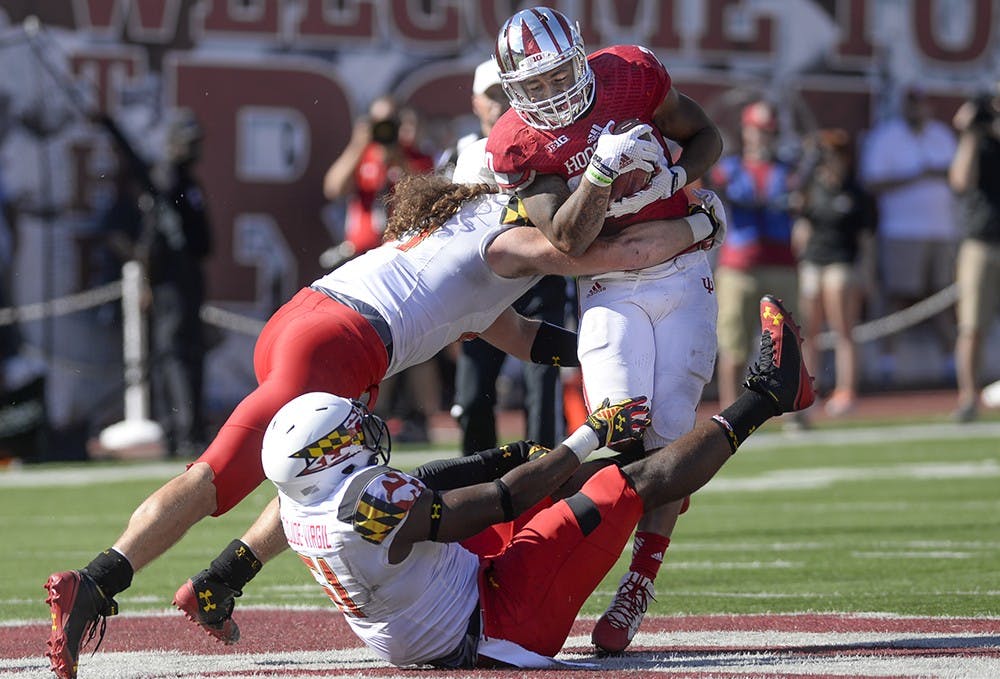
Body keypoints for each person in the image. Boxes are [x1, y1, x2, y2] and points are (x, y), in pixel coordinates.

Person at [43, 173, 723, 679]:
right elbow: (614, 252)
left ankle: (221, 577)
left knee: (319, 481)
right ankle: (98, 579)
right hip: (342, 343)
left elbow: (518, 334)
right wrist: (701, 225)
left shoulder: (461, 245)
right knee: (215, 477)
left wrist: (598, 355)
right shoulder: (508, 243)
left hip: (311, 318)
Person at [264, 294, 814, 669]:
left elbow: (433, 483)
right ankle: (769, 395)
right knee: (625, 485)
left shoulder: (300, 503)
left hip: (438, 610)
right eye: (348, 434)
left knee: (570, 481)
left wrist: (515, 455)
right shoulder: (373, 504)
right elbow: (504, 500)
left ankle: (663, 480)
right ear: (324, 458)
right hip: (497, 626)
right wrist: (590, 432)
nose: (362, 433)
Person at [485, 6, 724, 653]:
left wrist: (676, 180)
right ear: (511, 89)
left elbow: (706, 136)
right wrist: (602, 169)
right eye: (530, 85)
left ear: (582, 59)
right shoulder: (516, 140)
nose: (547, 94)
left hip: (680, 273)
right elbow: (564, 233)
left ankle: (639, 578)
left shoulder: (631, 74)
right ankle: (554, 553)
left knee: (670, 438)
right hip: (609, 283)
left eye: (556, 75)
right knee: (616, 419)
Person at [448, 59, 570, 453]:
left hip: (538, 278)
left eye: (506, 93)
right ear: (474, 103)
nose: (499, 102)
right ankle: (475, 491)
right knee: (472, 395)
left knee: (543, 392)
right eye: (491, 95)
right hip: (481, 286)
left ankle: (543, 487)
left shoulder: (541, 145)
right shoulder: (460, 155)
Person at [93, 108, 213, 458]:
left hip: (188, 281)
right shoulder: (166, 179)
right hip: (170, 283)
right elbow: (137, 164)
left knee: (187, 354)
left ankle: (189, 429)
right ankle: (182, 431)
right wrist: (111, 125)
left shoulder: (189, 184)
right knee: (175, 355)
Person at [859, 85, 958, 376]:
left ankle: (951, 360)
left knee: (942, 298)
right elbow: (872, 182)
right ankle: (888, 361)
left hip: (942, 231)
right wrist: (916, 176)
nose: (917, 109)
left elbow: (958, 175)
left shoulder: (942, 135)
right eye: (912, 103)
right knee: (898, 295)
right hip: (900, 231)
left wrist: (933, 173)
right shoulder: (887, 137)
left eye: (922, 103)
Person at [709, 99, 801, 412]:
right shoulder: (730, 169)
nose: (763, 137)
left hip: (781, 264)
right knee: (734, 345)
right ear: (747, 132)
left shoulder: (788, 169)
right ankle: (729, 413)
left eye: (769, 131)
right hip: (739, 265)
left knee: (785, 348)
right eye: (758, 130)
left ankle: (791, 412)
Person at [792, 129, 876, 417]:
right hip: (814, 260)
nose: (830, 159)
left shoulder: (857, 192)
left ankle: (845, 390)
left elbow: (867, 240)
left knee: (843, 330)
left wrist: (867, 274)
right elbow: (801, 223)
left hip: (843, 261)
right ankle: (808, 391)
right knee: (809, 331)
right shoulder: (813, 188)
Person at [948, 85, 1000, 422]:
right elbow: (960, 181)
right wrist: (969, 133)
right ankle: (968, 397)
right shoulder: (979, 140)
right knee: (971, 326)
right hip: (981, 241)